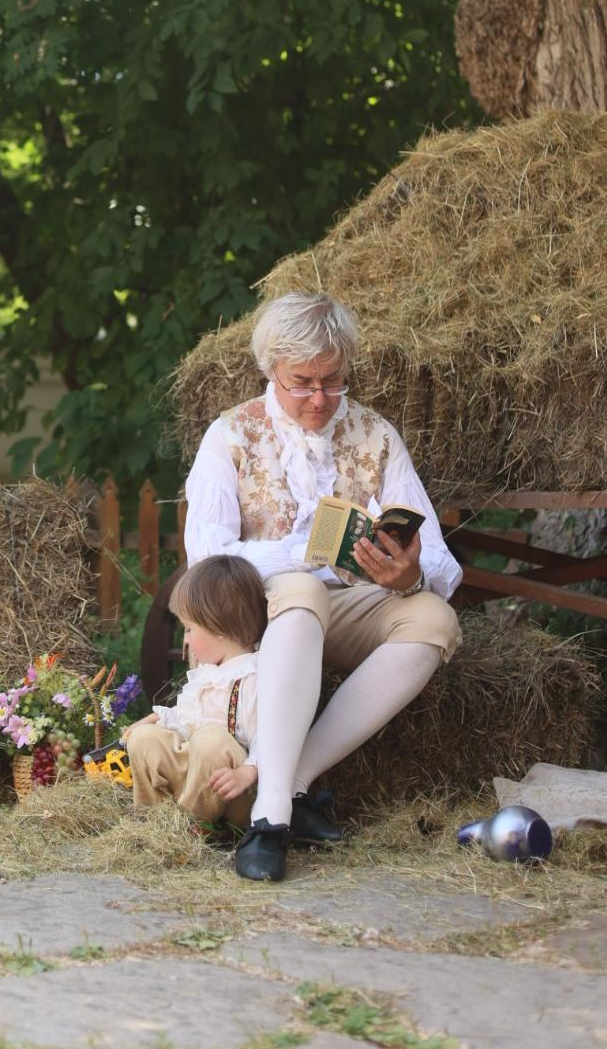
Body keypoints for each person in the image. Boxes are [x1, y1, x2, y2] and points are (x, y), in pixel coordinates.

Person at [184, 292, 461, 881]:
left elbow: (435, 550)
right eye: (301, 383)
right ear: (270, 371)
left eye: (333, 382)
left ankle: (291, 779)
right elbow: (205, 557)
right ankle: (273, 819)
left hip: (353, 608)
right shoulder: (229, 435)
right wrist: (299, 559)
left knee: (435, 619)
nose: (318, 399)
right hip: (258, 616)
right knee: (303, 590)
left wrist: (410, 573)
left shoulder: (376, 434)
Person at [124, 555, 265, 830]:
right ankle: (154, 823)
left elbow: (272, 739)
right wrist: (149, 722)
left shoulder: (253, 678)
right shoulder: (206, 676)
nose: (185, 639)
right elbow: (185, 717)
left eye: (189, 629)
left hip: (233, 793)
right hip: (195, 783)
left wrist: (249, 772)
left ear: (218, 627)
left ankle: (190, 830)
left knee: (211, 740)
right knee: (144, 739)